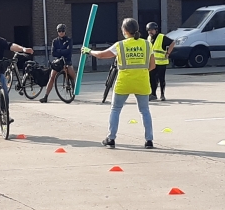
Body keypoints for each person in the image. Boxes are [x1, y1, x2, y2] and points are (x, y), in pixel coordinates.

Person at [81, 18, 156, 149]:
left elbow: (101, 55)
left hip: (124, 82)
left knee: (115, 109)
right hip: (142, 82)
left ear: (125, 30)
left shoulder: (120, 45)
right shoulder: (147, 44)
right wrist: (141, 71)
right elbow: (152, 66)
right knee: (145, 111)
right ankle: (149, 140)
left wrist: (88, 51)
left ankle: (111, 138)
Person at [39, 23, 76, 103]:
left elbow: (69, 51)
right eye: (59, 31)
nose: (61, 32)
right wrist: (62, 52)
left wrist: (59, 51)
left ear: (65, 31)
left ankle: (74, 89)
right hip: (58, 62)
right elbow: (53, 53)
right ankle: (46, 96)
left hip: (67, 61)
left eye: (62, 31)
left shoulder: (69, 40)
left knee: (72, 75)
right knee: (52, 77)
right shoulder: (55, 41)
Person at [146, 22, 175, 101]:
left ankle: (162, 94)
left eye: (152, 30)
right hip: (152, 63)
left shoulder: (162, 37)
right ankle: (153, 94)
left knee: (161, 79)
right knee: (152, 79)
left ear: (156, 30)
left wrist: (168, 53)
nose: (150, 32)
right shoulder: (148, 38)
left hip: (161, 62)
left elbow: (173, 42)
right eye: (148, 30)